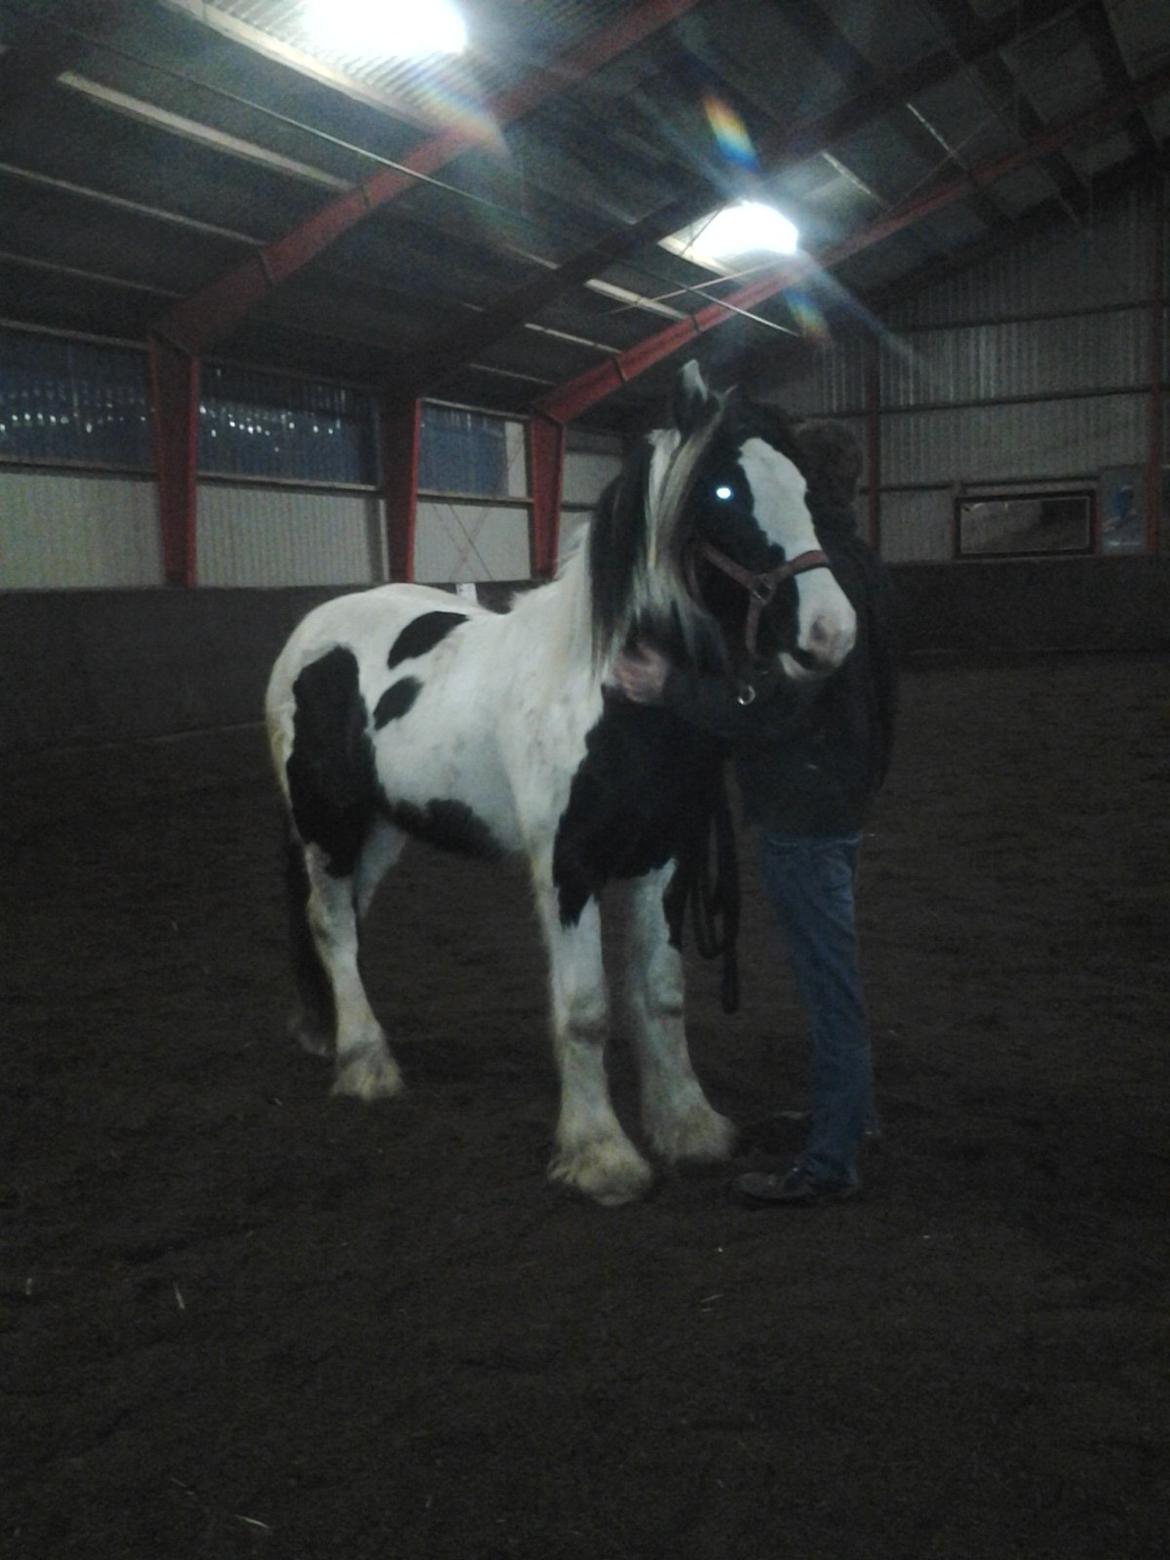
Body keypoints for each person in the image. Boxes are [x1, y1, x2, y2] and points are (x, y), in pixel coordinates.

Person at [609, 421, 897, 1206]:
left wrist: (670, 687)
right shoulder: (858, 564)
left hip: (803, 804)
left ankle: (830, 1161)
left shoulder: (809, 581)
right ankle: (852, 1115)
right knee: (831, 974)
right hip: (842, 793)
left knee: (828, 985)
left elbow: (773, 704)